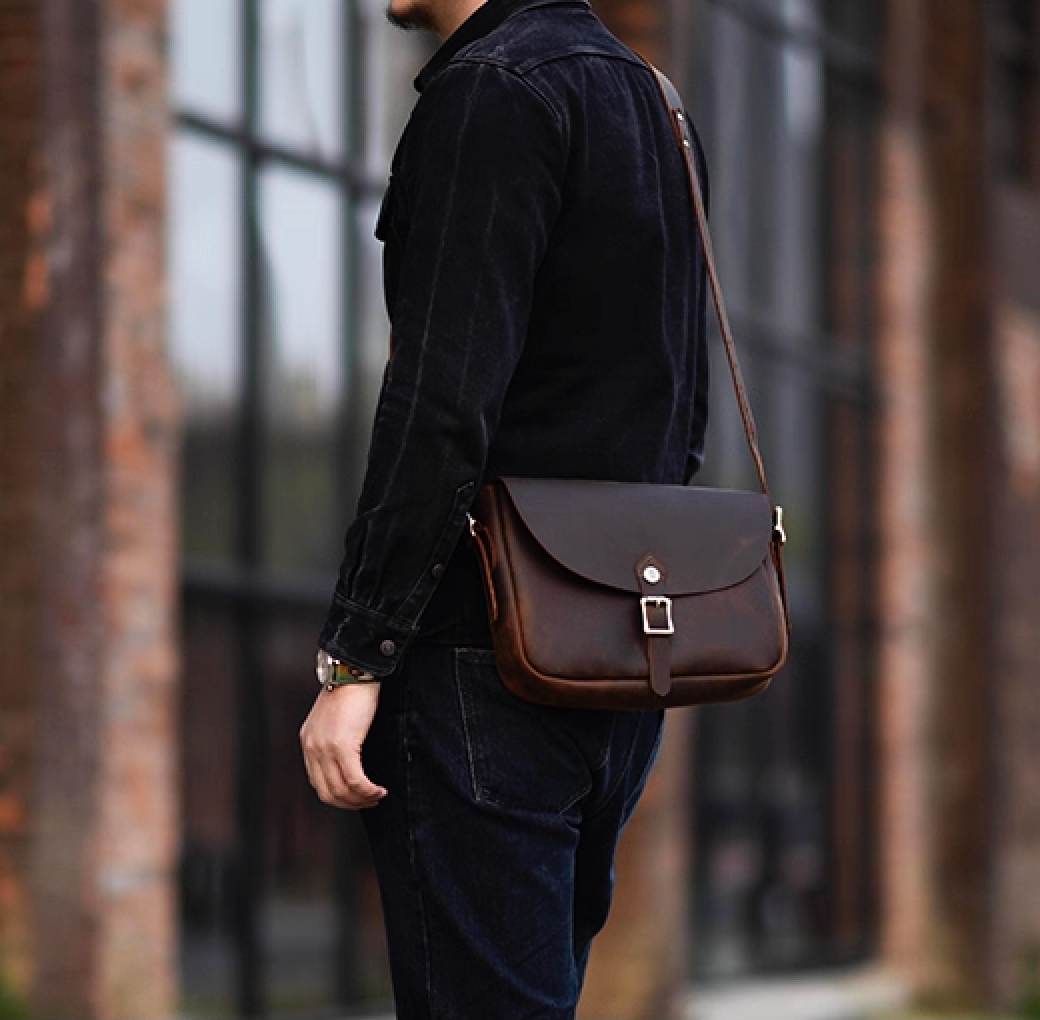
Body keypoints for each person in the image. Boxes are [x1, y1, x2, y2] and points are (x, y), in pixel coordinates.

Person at [298, 0, 710, 1014]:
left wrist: (359, 655)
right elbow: (681, 402)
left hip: (484, 659)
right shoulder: (654, 103)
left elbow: (440, 404)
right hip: (613, 661)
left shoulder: (494, 90)